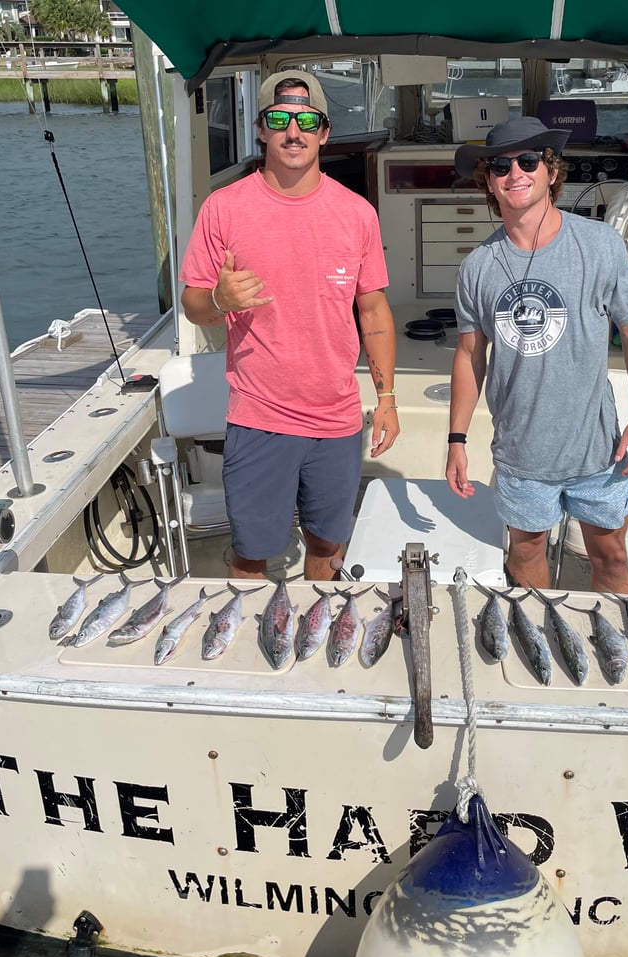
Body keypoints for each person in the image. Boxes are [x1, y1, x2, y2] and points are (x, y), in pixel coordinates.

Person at [180, 70, 399, 581]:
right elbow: (193, 305)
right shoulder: (223, 208)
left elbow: (374, 312)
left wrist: (386, 399)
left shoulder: (358, 214)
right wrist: (218, 297)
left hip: (337, 420)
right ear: (260, 129)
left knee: (327, 546)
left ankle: (313, 647)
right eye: (279, 119)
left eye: (306, 120)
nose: (293, 131)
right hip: (259, 418)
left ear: (324, 133)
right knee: (251, 555)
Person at [445, 116, 628, 594]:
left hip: (599, 449)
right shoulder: (477, 267)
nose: (514, 172)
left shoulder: (600, 244)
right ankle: (537, 640)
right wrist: (457, 438)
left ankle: (613, 644)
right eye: (501, 165)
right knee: (525, 551)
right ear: (490, 184)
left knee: (611, 554)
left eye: (528, 160)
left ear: (551, 172)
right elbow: (469, 354)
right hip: (522, 452)